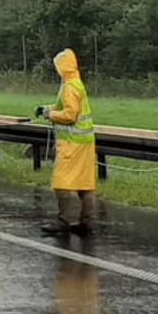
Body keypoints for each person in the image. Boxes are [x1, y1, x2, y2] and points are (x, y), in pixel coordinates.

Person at [39, 49, 96, 234]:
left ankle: (62, 221)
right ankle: (86, 222)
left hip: (72, 143)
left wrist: (50, 114)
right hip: (84, 142)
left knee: (62, 183)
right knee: (84, 183)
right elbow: (64, 108)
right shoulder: (75, 83)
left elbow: (70, 114)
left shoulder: (69, 87)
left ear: (63, 67)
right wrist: (47, 109)